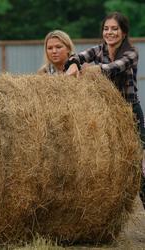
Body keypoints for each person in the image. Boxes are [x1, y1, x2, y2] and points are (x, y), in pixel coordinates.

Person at [65, 12, 145, 208]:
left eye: (115, 29)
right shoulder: (99, 49)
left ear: (124, 32)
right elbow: (76, 56)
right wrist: (74, 63)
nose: (110, 32)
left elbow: (112, 68)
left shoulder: (131, 53)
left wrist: (91, 69)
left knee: (140, 168)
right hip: (107, 115)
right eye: (106, 29)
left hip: (130, 113)